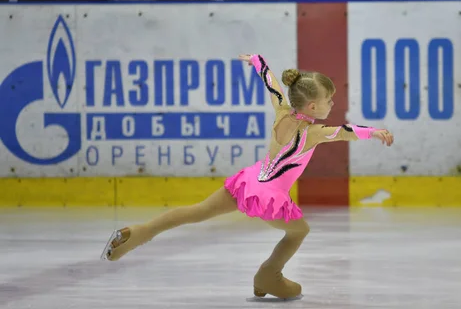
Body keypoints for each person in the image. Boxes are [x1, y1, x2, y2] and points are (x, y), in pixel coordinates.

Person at [101, 54, 394, 300]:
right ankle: (269, 275)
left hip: (250, 182)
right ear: (313, 107)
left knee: (197, 212)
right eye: (329, 99)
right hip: (269, 196)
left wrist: (258, 61)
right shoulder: (312, 132)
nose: (332, 103)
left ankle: (138, 233)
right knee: (298, 231)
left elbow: (272, 83)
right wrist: (375, 132)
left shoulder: (281, 110)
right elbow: (345, 131)